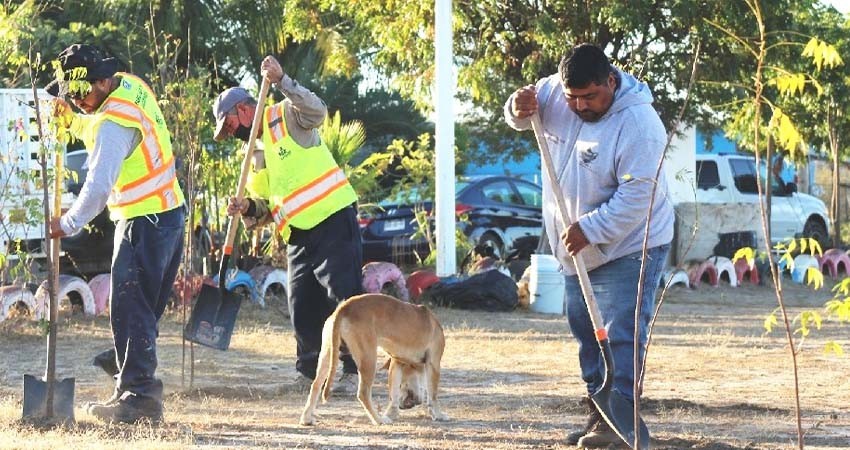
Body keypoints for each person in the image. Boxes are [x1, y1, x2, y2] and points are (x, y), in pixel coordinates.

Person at [504, 43, 674, 448]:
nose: (579, 106)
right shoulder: (552, 92)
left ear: (611, 82)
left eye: (590, 97)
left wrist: (590, 229)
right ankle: (599, 414)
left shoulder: (639, 124)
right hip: (575, 249)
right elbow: (518, 119)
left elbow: (638, 198)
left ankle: (620, 421)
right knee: (585, 331)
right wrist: (517, 106)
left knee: (620, 333)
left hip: (631, 244)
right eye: (572, 97)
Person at [46, 43, 186, 423]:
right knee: (139, 309)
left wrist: (67, 223)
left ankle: (138, 398)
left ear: (101, 81)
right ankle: (131, 376)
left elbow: (97, 187)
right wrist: (73, 120)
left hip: (146, 221)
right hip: (166, 214)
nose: (75, 100)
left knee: (131, 307)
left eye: (79, 92)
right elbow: (95, 121)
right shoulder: (127, 86)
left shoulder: (113, 124)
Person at [214, 55, 363, 393]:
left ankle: (354, 372)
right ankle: (308, 374)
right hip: (297, 234)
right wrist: (247, 206)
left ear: (242, 112)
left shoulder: (285, 115)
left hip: (333, 220)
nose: (232, 133)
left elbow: (318, 111)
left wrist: (283, 80)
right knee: (302, 306)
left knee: (344, 299)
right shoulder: (255, 153)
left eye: (229, 126)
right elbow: (267, 207)